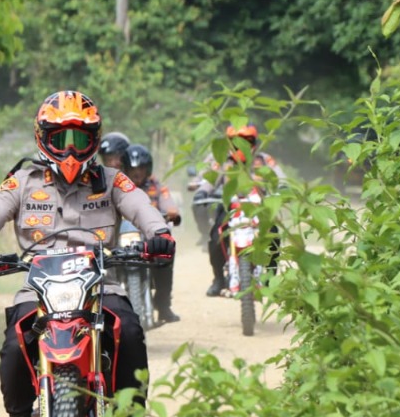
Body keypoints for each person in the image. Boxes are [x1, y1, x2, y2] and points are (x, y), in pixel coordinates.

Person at [0, 91, 176, 417]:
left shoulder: (112, 181)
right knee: (13, 345)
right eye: (62, 138)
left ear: (95, 139)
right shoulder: (21, 182)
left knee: (128, 329)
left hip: (99, 283)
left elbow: (143, 208)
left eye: (81, 138)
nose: (72, 149)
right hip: (38, 287)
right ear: (44, 137)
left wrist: (159, 233)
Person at [198, 124, 285, 296]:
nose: (241, 146)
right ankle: (218, 279)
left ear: (254, 142)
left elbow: (280, 178)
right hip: (229, 207)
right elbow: (208, 180)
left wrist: (282, 189)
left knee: (273, 234)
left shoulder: (264, 160)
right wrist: (202, 191)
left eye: (246, 141)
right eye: (236, 142)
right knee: (216, 236)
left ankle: (270, 279)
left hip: (259, 207)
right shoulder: (221, 160)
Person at [119, 143, 182, 324]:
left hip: (149, 239)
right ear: (125, 169)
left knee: (166, 256)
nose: (137, 173)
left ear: (148, 169)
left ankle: (163, 306)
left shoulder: (158, 186)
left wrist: (171, 212)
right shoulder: (117, 186)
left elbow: (168, 203)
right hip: (120, 239)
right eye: (132, 169)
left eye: (141, 168)